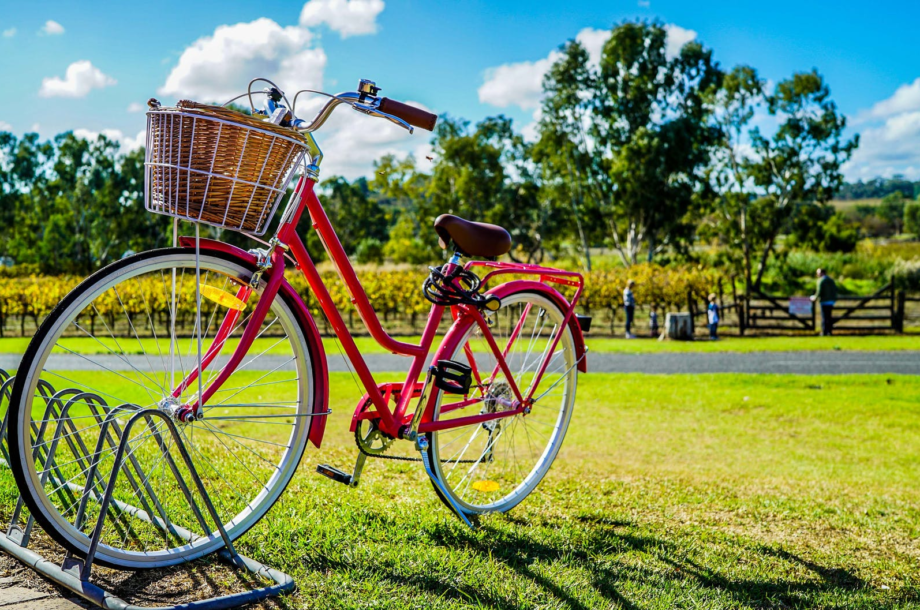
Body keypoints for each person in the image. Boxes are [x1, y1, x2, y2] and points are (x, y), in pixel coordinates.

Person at [810, 268, 837, 336]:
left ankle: (824, 331)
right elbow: (835, 290)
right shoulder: (831, 280)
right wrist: (833, 299)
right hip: (831, 301)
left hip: (824, 301)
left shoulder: (821, 281)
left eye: (818, 273)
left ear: (822, 273)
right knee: (829, 317)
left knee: (824, 317)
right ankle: (829, 331)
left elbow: (819, 291)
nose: (817, 275)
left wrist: (815, 298)